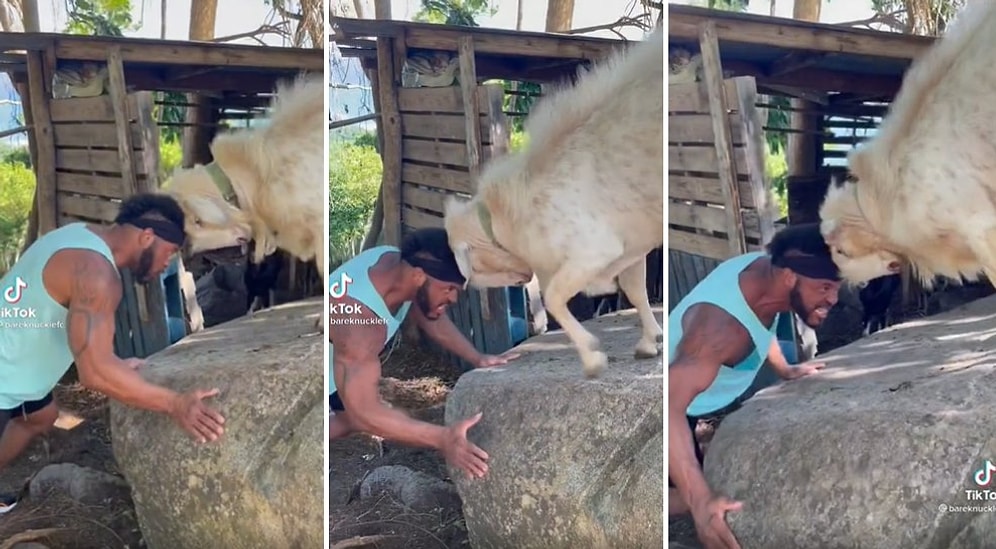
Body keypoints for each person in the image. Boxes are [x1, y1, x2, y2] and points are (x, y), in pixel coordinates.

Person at [0, 194, 226, 512]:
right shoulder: (97, 274)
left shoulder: (80, 234)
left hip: (15, 364)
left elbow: (82, 339)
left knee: (41, 416)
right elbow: (94, 373)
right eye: (170, 252)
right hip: (4, 377)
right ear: (147, 237)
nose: (167, 264)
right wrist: (176, 404)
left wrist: (114, 363)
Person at [668, 223, 843, 549]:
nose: (834, 298)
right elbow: (667, 405)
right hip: (665, 411)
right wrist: (700, 501)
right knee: (693, 499)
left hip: (689, 396)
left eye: (837, 287)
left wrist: (785, 369)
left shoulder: (767, 273)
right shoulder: (718, 331)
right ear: (790, 277)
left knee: (710, 493)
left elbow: (764, 317)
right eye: (824, 288)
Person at [329, 228, 520, 479]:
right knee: (357, 418)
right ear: (419, 277)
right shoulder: (359, 326)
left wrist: (477, 357)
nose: (453, 298)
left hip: (341, 360)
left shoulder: (394, 263)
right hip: (315, 374)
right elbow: (364, 410)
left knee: (352, 421)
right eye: (450, 289)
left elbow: (429, 313)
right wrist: (442, 438)